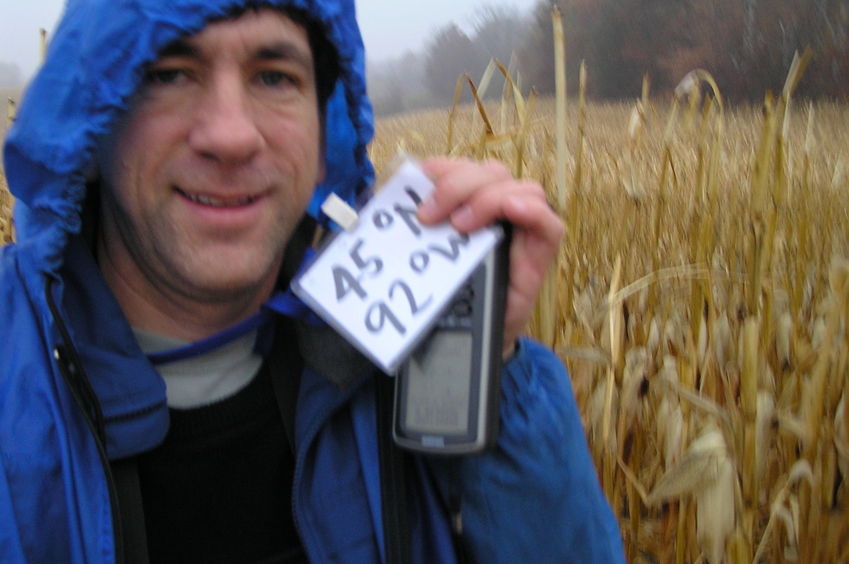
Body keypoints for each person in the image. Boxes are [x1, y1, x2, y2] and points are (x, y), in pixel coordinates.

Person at [0, 0, 626, 563]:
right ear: (91, 122)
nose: (231, 135)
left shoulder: (401, 348)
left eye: (274, 77)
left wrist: (491, 369)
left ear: (326, 131)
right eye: (169, 73)